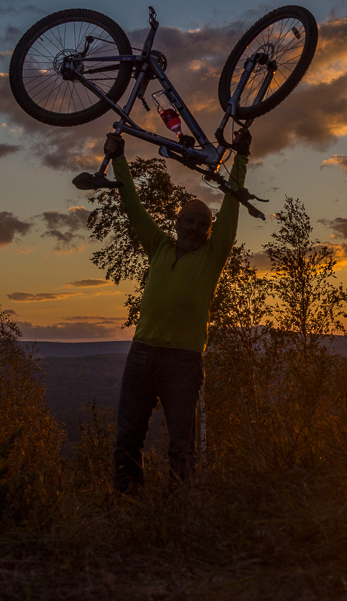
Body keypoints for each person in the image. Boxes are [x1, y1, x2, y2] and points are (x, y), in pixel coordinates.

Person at [105, 129, 252, 492]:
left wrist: (242, 158)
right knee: (127, 437)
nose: (195, 228)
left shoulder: (213, 256)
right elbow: (133, 206)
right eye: (189, 221)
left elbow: (231, 206)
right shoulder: (158, 246)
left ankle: (182, 511)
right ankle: (127, 506)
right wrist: (119, 160)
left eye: (203, 225)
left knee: (183, 445)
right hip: (141, 354)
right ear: (177, 223)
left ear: (209, 232)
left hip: (183, 361)